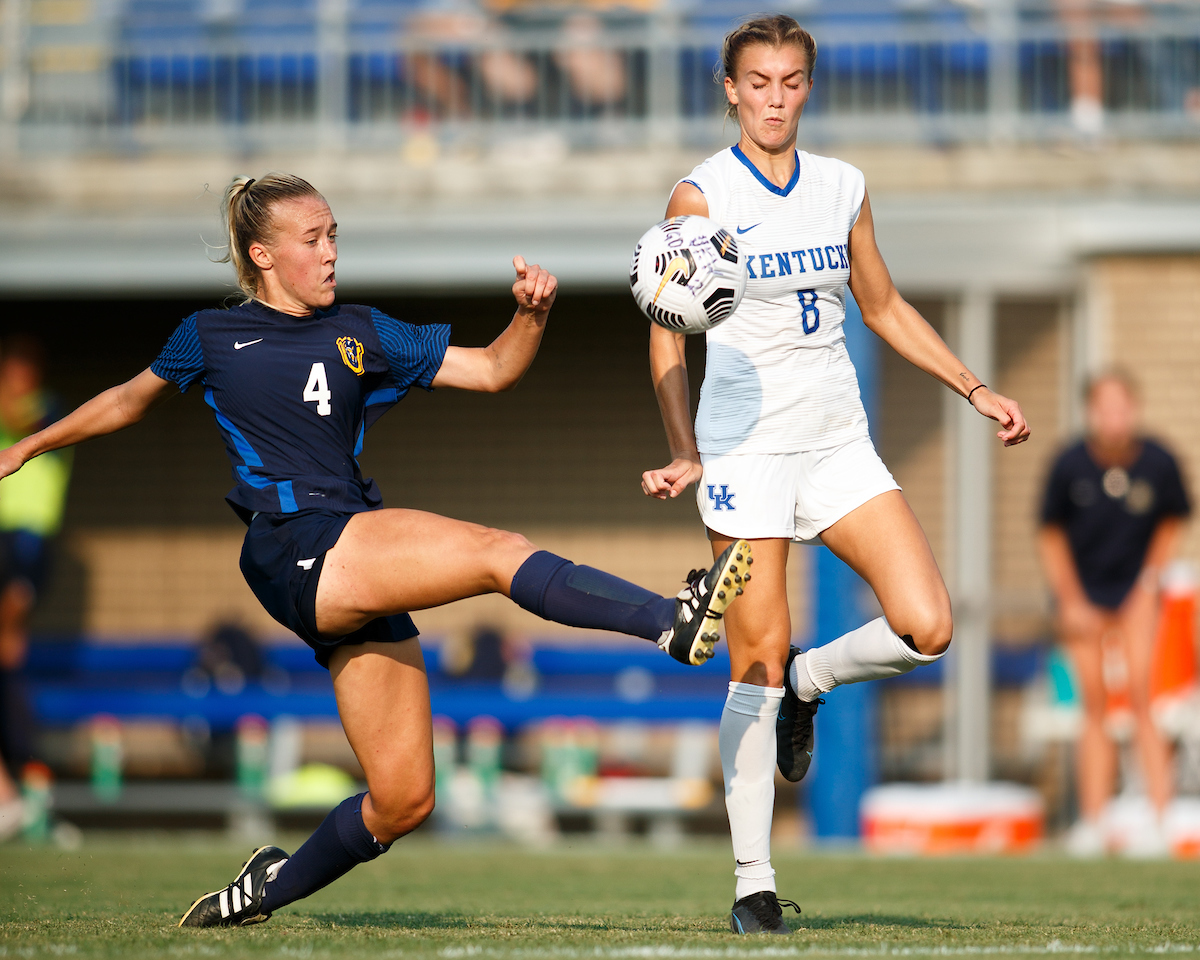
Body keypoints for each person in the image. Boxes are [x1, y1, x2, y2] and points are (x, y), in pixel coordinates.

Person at [0, 172, 751, 922]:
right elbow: (126, 401)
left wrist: (531, 316)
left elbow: (492, 371)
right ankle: (669, 619)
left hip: (351, 546)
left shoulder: (361, 329)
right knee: (496, 550)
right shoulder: (210, 336)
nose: (330, 252)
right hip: (295, 542)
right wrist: (28, 445)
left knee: (403, 799)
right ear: (261, 254)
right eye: (312, 239)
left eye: (334, 236)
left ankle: (258, 894)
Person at [640, 15, 1030, 934]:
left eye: (791, 82)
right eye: (758, 82)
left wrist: (973, 387)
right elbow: (666, 322)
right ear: (729, 88)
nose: (775, 98)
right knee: (754, 659)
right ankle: (752, 884)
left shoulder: (842, 185)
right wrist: (685, 448)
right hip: (743, 450)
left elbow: (882, 303)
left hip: (837, 440)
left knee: (927, 625)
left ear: (808, 87)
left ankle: (815, 683)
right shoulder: (700, 197)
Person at [1039, 369, 1190, 857]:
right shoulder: (1068, 464)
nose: (1114, 418)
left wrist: (1149, 585)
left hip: (1137, 594)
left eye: (1122, 407)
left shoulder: (1160, 461)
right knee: (1095, 706)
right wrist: (1069, 598)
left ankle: (1161, 820)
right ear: (1091, 412)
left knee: (1145, 700)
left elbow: (1173, 520)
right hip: (1085, 594)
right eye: (1105, 408)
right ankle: (1094, 820)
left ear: (1135, 409)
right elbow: (1050, 533)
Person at [0, 334, 71, 841]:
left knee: (9, 658)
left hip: (29, 545)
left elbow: (23, 420)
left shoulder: (48, 409)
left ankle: (24, 790)